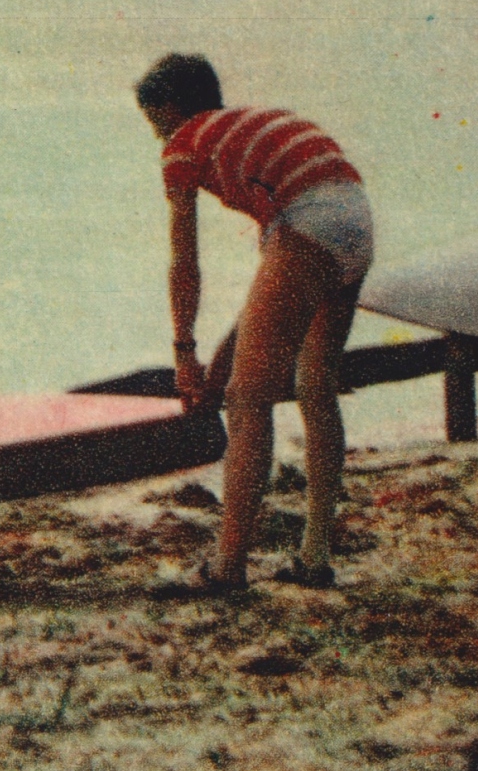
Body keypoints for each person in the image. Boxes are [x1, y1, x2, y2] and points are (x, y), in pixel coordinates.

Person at [134, 54, 374, 594]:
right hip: (356, 218)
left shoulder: (184, 143)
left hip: (308, 222)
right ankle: (314, 558)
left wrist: (183, 350)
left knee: (246, 402)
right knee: (316, 388)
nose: (157, 138)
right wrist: (217, 363)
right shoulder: (248, 128)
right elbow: (266, 303)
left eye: (154, 122)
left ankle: (228, 567)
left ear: (171, 108)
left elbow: (184, 262)